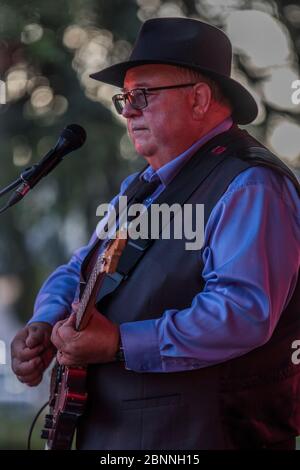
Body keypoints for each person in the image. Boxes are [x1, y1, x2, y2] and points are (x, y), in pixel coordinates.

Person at [11, 17, 300, 450]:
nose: (128, 109)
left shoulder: (251, 184)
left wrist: (120, 342)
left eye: (142, 95)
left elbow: (242, 313)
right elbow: (81, 267)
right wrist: (44, 321)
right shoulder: (142, 186)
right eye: (125, 98)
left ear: (199, 99)